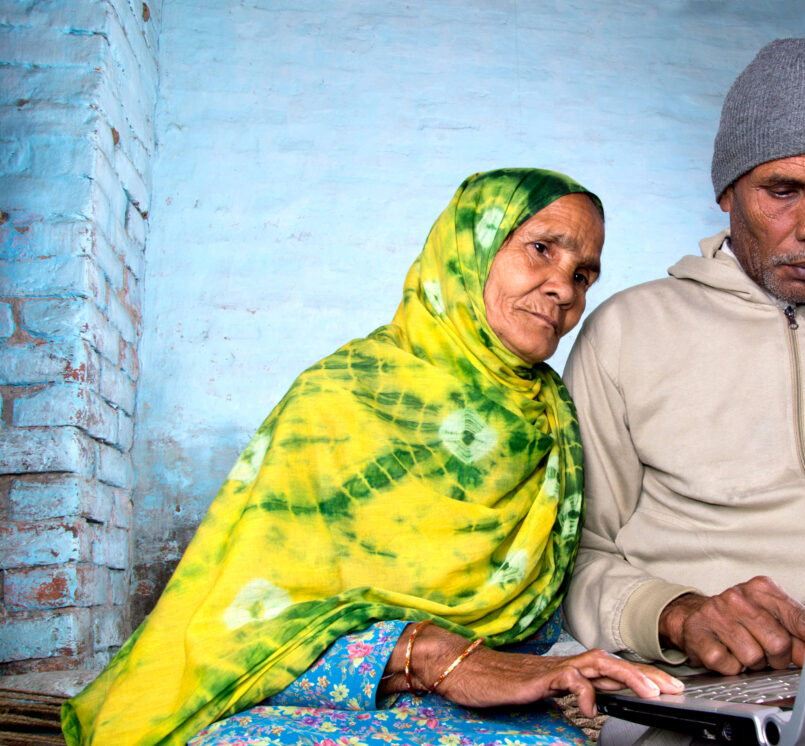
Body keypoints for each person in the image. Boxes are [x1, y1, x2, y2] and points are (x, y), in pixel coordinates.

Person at [61, 168, 682, 746]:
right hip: (329, 697)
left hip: (500, 707)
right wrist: (425, 655)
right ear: (470, 248)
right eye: (542, 249)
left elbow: (538, 624)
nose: (562, 289)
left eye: (583, 274)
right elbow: (241, 626)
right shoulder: (340, 398)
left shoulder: (551, 416)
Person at [562, 38, 805, 741]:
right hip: (697, 690)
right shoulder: (628, 331)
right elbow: (576, 560)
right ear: (727, 190)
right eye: (785, 191)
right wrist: (673, 611)